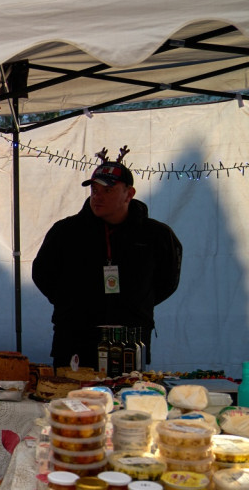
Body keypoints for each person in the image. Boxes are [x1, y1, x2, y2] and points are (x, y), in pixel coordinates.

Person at [32, 154, 182, 368]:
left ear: (128, 194)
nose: (97, 197)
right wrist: (71, 305)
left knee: (127, 398)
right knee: (69, 399)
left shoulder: (156, 235)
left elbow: (167, 281)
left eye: (108, 190)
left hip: (129, 339)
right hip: (75, 338)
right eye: (94, 190)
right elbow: (42, 274)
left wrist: (135, 304)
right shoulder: (66, 232)